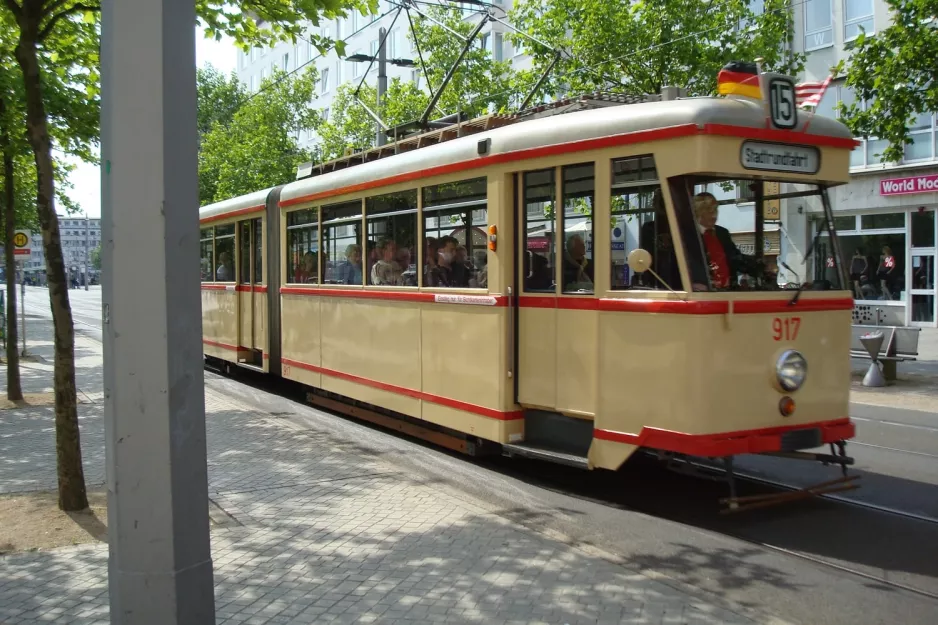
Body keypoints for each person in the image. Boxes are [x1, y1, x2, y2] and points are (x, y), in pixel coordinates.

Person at [692, 192, 756, 289]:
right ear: (698, 212)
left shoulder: (722, 233)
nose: (714, 215)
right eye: (709, 211)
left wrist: (755, 266)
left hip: (727, 292)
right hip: (702, 294)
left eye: (716, 210)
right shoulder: (687, 234)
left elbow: (736, 258)